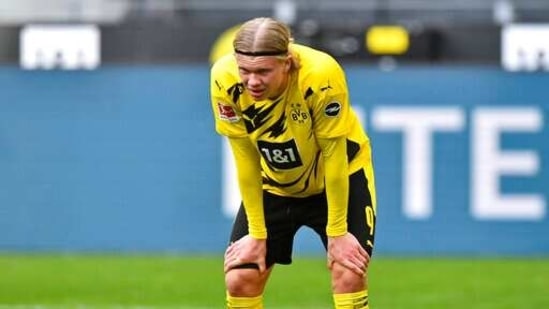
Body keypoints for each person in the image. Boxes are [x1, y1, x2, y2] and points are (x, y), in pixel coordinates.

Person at [210, 17, 377, 309]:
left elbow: (333, 154)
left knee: (348, 272)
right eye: (245, 71)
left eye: (263, 71)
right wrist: (257, 234)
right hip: (274, 183)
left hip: (337, 178)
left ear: (287, 62)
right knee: (240, 277)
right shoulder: (223, 78)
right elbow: (245, 155)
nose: (252, 81)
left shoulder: (321, 76)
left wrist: (337, 232)